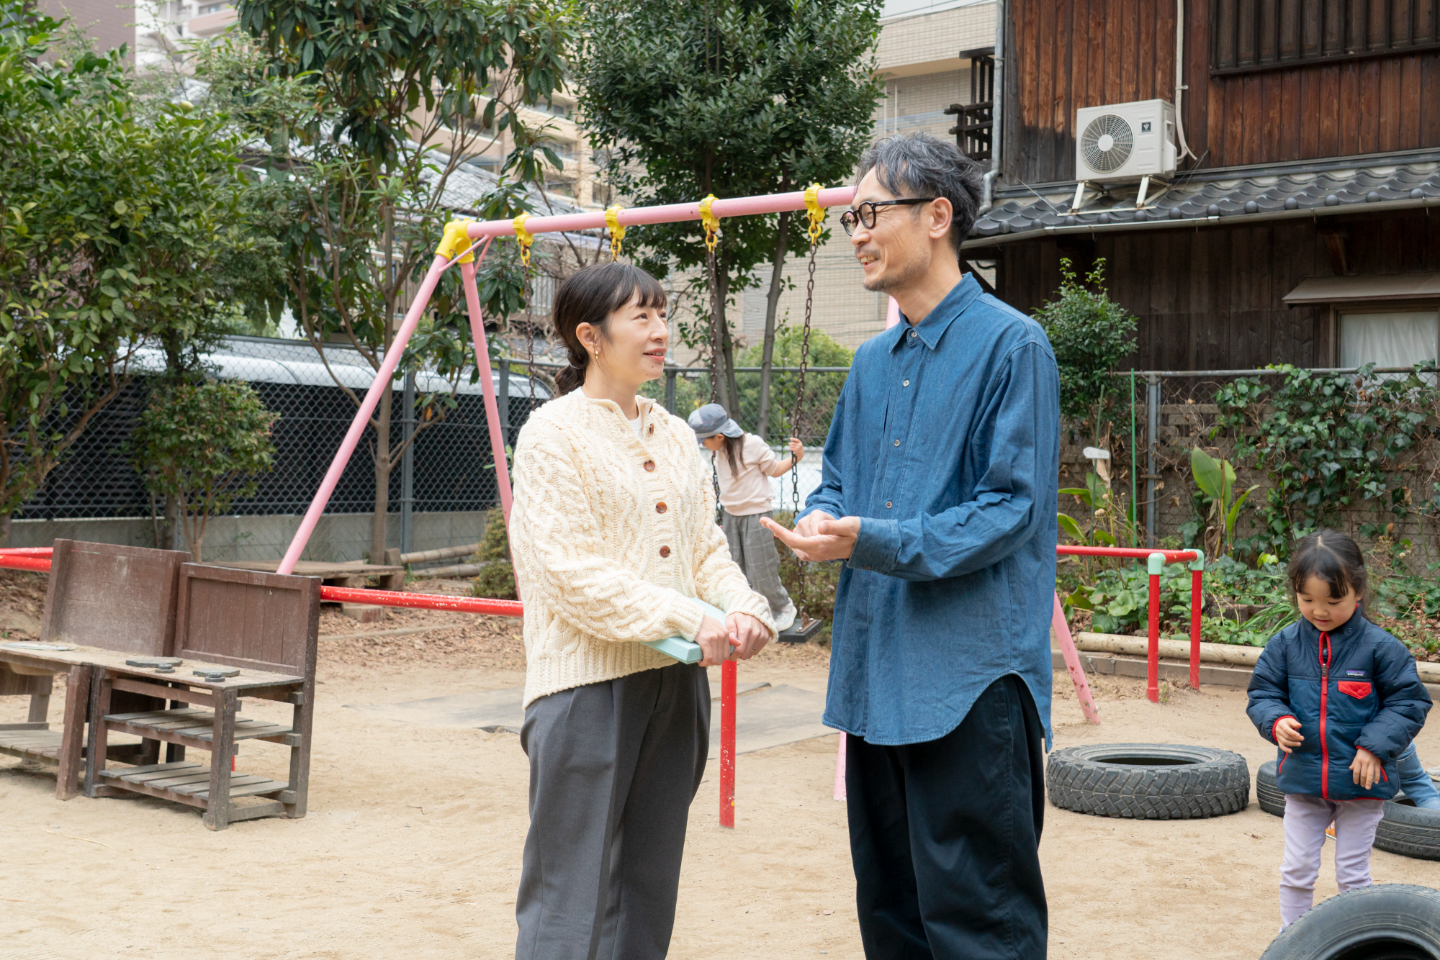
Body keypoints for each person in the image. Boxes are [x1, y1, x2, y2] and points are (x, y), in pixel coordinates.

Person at [763, 132, 1058, 958]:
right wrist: (826, 521)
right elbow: (838, 484)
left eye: (869, 213)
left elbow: (1011, 509)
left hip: (967, 686)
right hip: (873, 678)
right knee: (891, 922)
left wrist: (876, 539)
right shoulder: (868, 364)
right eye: (850, 217)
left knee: (979, 930)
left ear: (937, 216)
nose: (855, 231)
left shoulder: (1012, 345)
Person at [507, 261, 776, 960]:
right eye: (643, 317)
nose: (661, 332)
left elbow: (704, 549)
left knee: (647, 888)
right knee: (569, 894)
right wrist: (691, 619)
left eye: (662, 315)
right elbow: (569, 574)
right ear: (590, 337)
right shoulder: (550, 435)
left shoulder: (677, 434)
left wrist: (746, 607)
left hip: (674, 686)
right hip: (584, 689)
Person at [1247, 529, 1431, 930]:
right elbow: (1262, 692)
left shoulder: (1382, 647)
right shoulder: (1284, 644)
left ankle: (1353, 944)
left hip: (1362, 785)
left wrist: (1373, 746)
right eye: (1307, 600)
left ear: (1358, 591)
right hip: (1303, 780)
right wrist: (1275, 721)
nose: (1320, 611)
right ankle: (1293, 945)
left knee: (1352, 876)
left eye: (1333, 601)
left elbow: (1410, 702)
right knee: (1296, 870)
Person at [687, 402, 804, 631]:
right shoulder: (720, 451)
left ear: (720, 436)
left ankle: (781, 606)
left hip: (757, 515)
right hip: (731, 515)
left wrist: (795, 458)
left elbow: (774, 470)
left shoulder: (753, 444)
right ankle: (748, 609)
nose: (704, 445)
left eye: (705, 440)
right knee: (735, 567)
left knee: (761, 567)